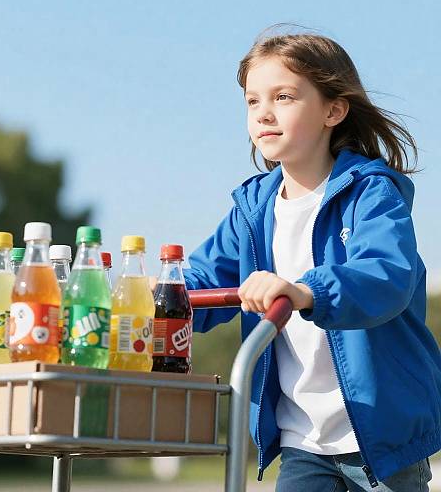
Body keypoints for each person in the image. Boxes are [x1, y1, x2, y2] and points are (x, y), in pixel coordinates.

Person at [183, 28, 441, 491]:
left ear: (333, 110)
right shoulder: (253, 209)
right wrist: (152, 296)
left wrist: (306, 291)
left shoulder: (370, 192)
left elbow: (385, 275)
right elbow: (202, 278)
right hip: (303, 441)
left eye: (284, 97)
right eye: (252, 101)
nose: (264, 113)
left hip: (383, 440)